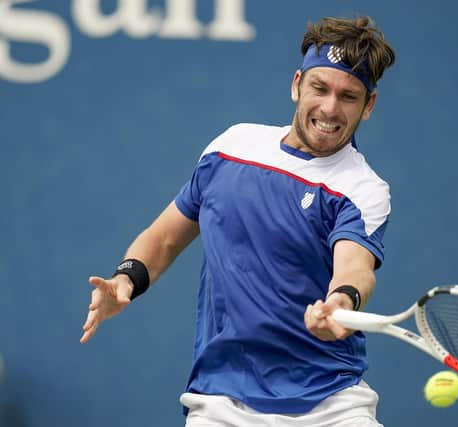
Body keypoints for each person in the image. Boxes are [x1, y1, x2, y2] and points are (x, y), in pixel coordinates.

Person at [80, 15, 395, 427]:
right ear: (297, 84)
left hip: (331, 406)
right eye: (320, 88)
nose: (330, 108)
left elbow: (355, 268)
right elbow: (163, 240)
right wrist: (125, 279)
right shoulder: (231, 148)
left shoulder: (363, 189)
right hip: (221, 403)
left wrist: (341, 301)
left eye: (349, 96)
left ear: (368, 106)